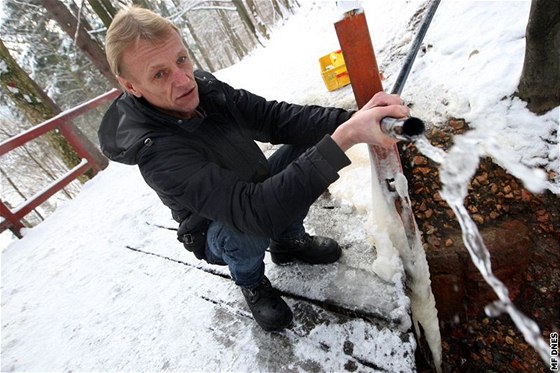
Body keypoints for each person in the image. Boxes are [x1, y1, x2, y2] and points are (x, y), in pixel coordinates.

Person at [98, 7, 408, 332]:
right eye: (159, 74)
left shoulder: (205, 88)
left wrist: (351, 121)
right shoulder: (156, 152)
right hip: (215, 228)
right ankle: (251, 281)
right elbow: (253, 212)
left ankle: (288, 242)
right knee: (246, 232)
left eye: (181, 60)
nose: (182, 79)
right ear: (131, 86)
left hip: (254, 189)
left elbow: (274, 119)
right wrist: (346, 138)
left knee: (312, 142)